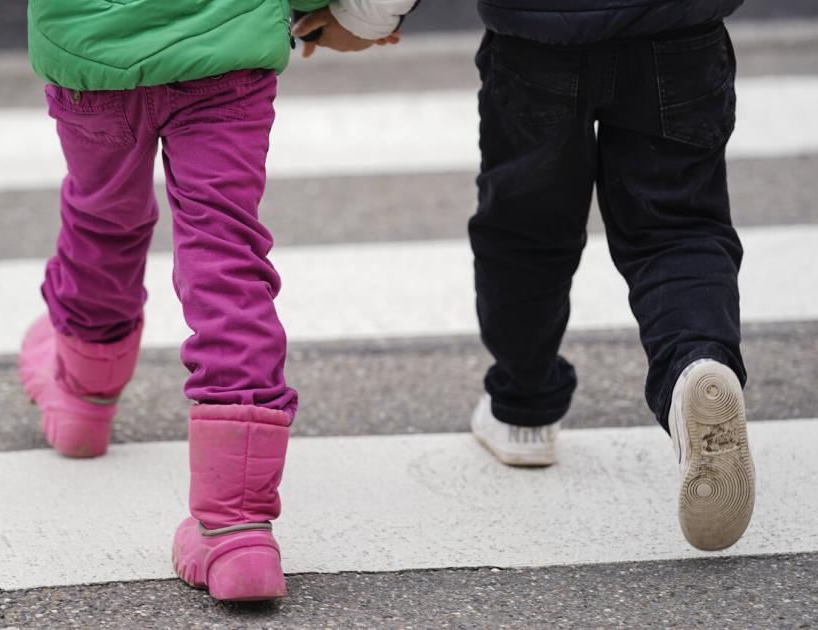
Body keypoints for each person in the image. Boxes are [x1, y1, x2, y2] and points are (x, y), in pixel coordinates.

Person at [0, 0, 396, 602]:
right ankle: (236, 527)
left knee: (103, 222)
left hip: (93, 52)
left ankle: (83, 399)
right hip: (223, 50)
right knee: (226, 257)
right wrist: (350, 14)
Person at [302, 0, 756, 552]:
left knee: (526, 234)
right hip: (679, 33)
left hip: (537, 39)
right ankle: (697, 364)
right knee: (678, 226)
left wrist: (365, 18)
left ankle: (525, 405)